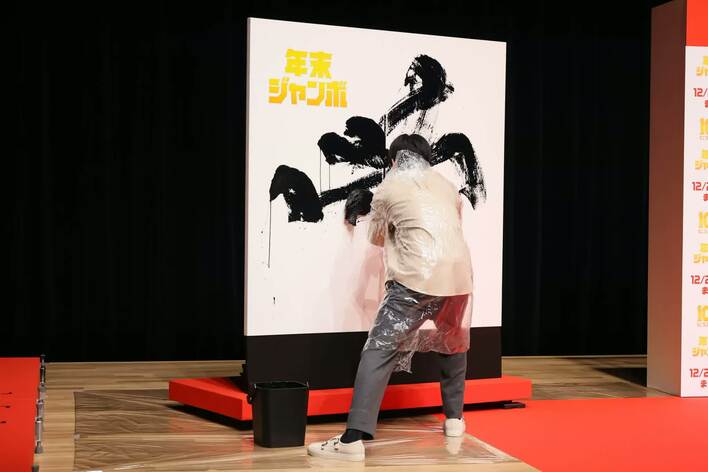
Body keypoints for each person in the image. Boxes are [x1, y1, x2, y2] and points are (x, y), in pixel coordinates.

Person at [307, 134, 474, 462]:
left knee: (378, 349)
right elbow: (451, 229)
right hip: (458, 277)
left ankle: (352, 439)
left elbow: (377, 237)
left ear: (395, 160)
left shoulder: (388, 187)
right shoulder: (447, 186)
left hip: (414, 278)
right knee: (453, 342)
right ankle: (455, 419)